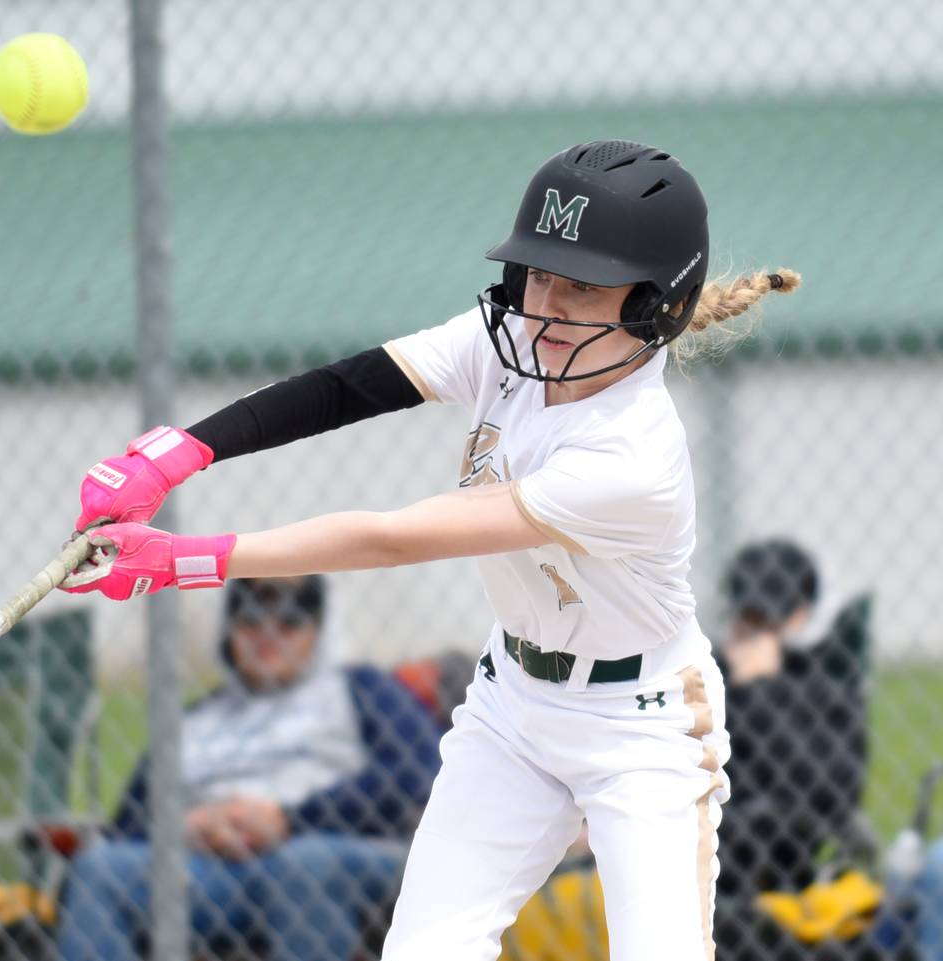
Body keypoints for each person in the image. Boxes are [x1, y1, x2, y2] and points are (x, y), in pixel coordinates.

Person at [60, 141, 800, 961]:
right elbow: (345, 387)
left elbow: (392, 538)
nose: (546, 305)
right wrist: (179, 451)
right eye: (537, 274)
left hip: (643, 724)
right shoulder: (510, 346)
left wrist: (183, 558)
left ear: (654, 306)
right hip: (513, 705)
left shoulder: (632, 456)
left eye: (581, 285)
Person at [54, 575, 441, 961]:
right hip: (206, 871)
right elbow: (127, 823)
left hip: (329, 852)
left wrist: (289, 819)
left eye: (290, 621)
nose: (268, 633)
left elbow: (419, 771)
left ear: (320, 630)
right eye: (251, 619)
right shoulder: (198, 719)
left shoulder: (360, 689)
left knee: (303, 864)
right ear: (230, 630)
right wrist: (189, 825)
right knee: (99, 871)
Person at [713, 539, 869, 899]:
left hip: (780, 859)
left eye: (770, 621)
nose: (757, 634)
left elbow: (830, 791)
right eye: (749, 620)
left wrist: (760, 690)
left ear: (802, 615)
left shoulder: (827, 684)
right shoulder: (705, 678)